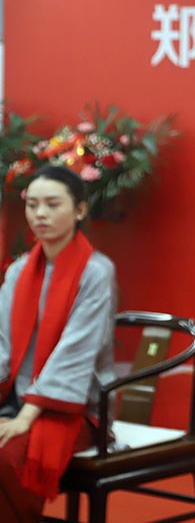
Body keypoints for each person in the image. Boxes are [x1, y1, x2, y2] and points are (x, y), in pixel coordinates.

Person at [0, 165, 117, 522]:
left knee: (8, 457)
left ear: (79, 210)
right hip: (15, 400)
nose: (40, 214)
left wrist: (26, 416)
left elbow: (75, 353)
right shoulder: (18, 271)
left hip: (74, 407)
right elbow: (2, 346)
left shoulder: (96, 272)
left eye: (52, 204)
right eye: (32, 204)